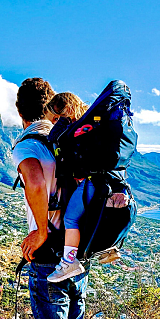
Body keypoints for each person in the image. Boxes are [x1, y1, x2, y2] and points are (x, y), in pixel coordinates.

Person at [12, 78, 89, 319]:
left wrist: (40, 230)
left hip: (48, 260)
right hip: (76, 255)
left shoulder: (30, 143)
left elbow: (37, 181)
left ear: (20, 110)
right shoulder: (67, 138)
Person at [44, 92, 129, 283]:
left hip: (93, 181)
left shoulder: (81, 126)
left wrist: (63, 123)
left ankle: (69, 262)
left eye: (59, 114)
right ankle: (107, 247)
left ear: (68, 108)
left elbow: (54, 137)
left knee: (71, 219)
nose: (58, 119)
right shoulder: (97, 120)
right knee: (94, 217)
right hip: (106, 181)